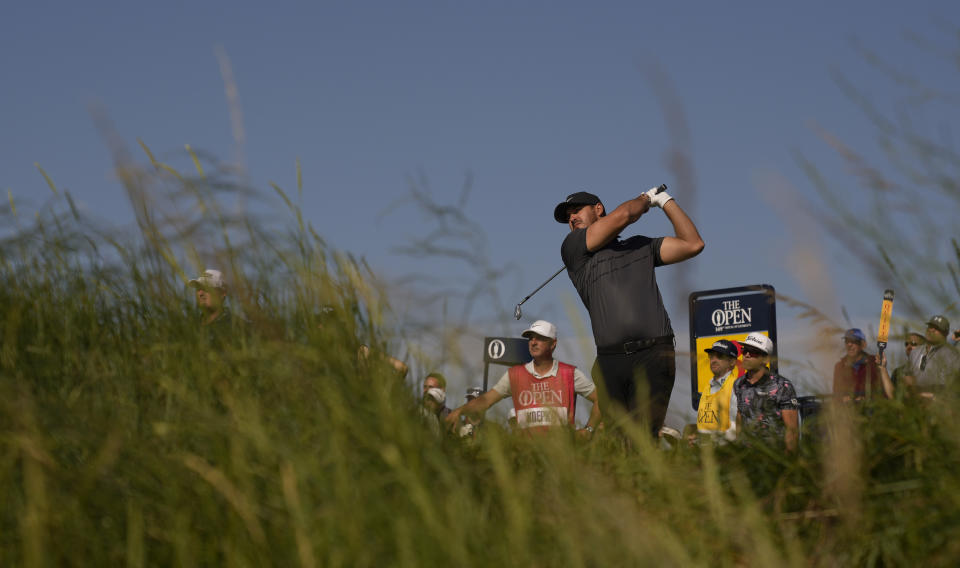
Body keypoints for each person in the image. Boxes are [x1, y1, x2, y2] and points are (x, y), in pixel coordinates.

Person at [554, 186, 704, 436]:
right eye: (568, 217)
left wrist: (665, 201)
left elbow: (693, 244)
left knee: (643, 438)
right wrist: (645, 199)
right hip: (611, 360)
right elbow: (624, 215)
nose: (571, 218)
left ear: (598, 209)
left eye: (576, 210)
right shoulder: (574, 249)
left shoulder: (640, 246)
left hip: (655, 353)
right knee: (617, 441)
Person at [445, 320, 601, 436]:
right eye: (530, 338)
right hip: (526, 456)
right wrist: (459, 411)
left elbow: (601, 399)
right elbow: (486, 401)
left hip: (562, 460)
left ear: (553, 344)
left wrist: (589, 429)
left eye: (539, 338)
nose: (533, 342)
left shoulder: (570, 374)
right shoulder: (515, 375)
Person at [733, 333, 800, 453]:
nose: (747, 355)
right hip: (746, 459)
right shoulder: (739, 384)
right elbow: (740, 415)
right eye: (745, 350)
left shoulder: (782, 386)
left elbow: (792, 430)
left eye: (753, 351)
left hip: (773, 459)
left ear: (766, 359)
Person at [696, 339, 741, 442]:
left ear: (732, 362)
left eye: (720, 356)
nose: (713, 360)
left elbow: (737, 427)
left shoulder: (736, 387)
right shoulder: (707, 386)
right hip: (704, 452)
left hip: (725, 452)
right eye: (711, 356)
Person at [904, 315, 960, 398]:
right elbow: (907, 376)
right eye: (930, 326)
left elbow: (948, 387)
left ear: (946, 333)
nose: (932, 330)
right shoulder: (915, 352)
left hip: (937, 405)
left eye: (937, 328)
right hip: (913, 402)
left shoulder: (953, 355)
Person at [832, 328, 884, 401]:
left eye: (854, 341)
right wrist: (843, 399)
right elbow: (836, 394)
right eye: (847, 341)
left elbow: (882, 392)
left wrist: (866, 399)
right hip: (847, 410)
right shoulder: (839, 366)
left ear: (863, 344)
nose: (849, 344)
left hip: (870, 410)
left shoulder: (874, 363)